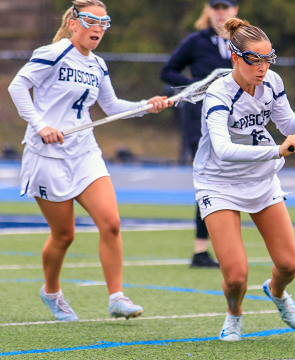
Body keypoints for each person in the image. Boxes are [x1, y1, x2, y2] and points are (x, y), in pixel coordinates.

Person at [7, 0, 172, 321]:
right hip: (46, 156)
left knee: (110, 223)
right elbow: (17, 86)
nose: (98, 28)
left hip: (84, 153)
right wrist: (41, 126)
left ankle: (117, 297)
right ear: (74, 23)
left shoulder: (98, 65)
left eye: (104, 23)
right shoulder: (52, 53)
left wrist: (144, 105)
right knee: (64, 235)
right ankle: (51, 292)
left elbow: (110, 106)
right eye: (91, 21)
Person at [194, 18, 295, 341]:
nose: (262, 67)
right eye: (253, 59)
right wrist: (276, 152)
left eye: (267, 58)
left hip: (261, 181)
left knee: (288, 265)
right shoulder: (218, 94)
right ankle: (234, 314)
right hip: (219, 184)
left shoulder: (272, 82)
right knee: (235, 277)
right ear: (235, 57)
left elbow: (288, 125)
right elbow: (223, 150)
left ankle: (275, 291)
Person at [160, 0, 239, 269]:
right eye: (215, 7)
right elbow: (167, 71)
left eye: (225, 7)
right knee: (210, 180)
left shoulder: (244, 42)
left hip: (237, 122)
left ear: (235, 11)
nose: (220, 12)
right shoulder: (196, 41)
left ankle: (225, 247)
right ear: (208, 10)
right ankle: (200, 250)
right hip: (201, 122)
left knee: (234, 181)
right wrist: (195, 89)